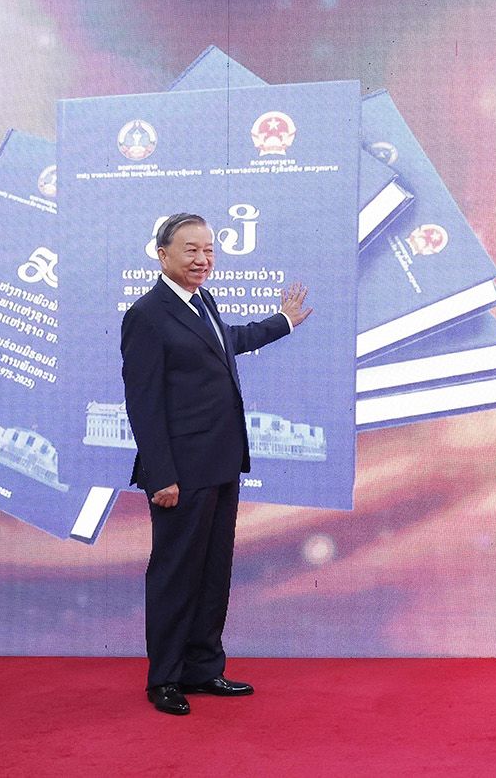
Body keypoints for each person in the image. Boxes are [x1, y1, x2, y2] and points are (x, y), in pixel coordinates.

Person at [121, 212, 313, 717]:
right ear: (162, 254)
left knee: (212, 572)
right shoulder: (147, 314)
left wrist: (283, 322)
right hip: (180, 473)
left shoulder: (203, 300)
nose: (202, 259)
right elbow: (142, 402)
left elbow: (228, 342)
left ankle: (203, 668)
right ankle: (165, 678)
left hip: (222, 461)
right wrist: (162, 475)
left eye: (208, 250)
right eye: (191, 250)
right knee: (175, 575)